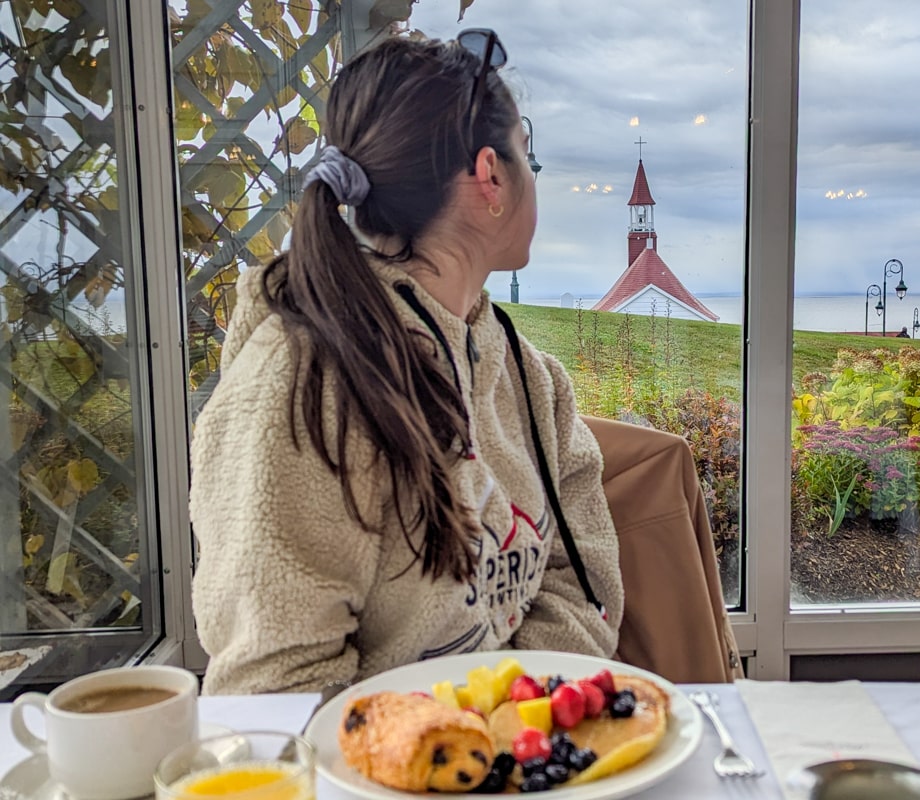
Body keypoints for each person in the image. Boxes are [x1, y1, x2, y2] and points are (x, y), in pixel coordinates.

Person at [189, 30, 625, 694]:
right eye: (527, 160)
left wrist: (510, 732)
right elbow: (275, 682)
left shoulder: (535, 382)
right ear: (491, 177)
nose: (533, 179)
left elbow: (582, 588)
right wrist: (438, 751)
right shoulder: (302, 387)